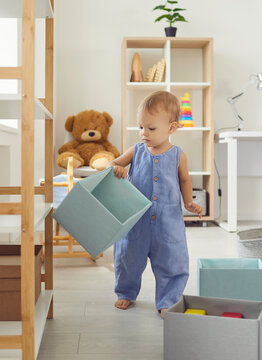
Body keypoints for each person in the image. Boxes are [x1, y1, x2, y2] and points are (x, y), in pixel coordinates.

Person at [108, 91, 202, 319]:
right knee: (127, 258)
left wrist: (189, 202)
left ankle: (168, 300)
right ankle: (126, 292)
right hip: (135, 222)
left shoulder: (178, 155)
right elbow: (112, 164)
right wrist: (117, 169)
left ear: (171, 128)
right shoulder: (136, 151)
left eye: (150, 129)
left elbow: (185, 180)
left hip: (167, 223)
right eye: (140, 127)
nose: (143, 133)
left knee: (172, 261)